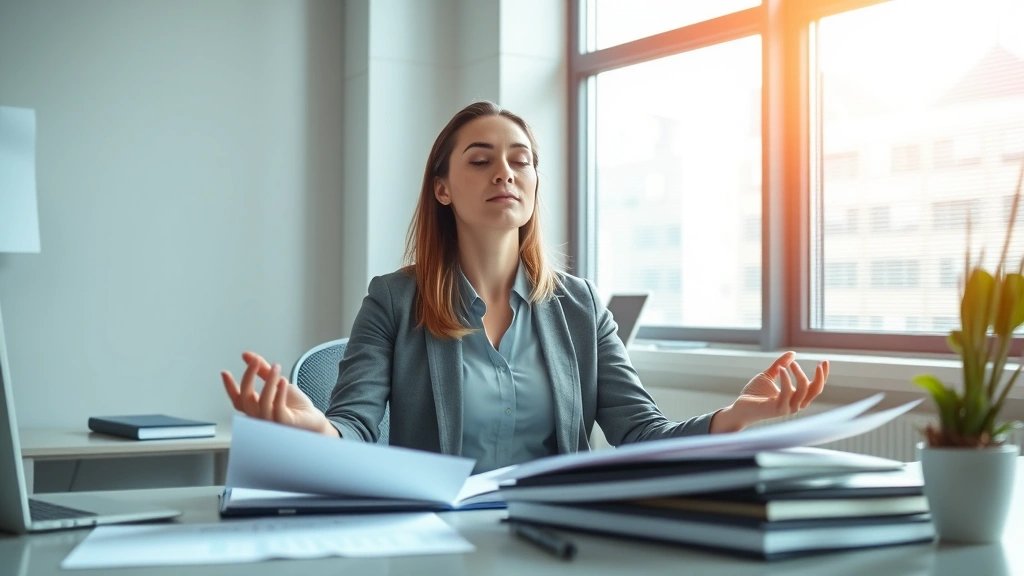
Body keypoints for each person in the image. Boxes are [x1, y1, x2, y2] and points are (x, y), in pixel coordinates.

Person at [222, 101, 829, 473]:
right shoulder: (392, 299)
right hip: (439, 535)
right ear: (443, 188)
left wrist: (735, 417)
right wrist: (315, 430)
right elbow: (354, 428)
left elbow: (639, 434)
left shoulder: (581, 307)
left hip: (556, 534)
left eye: (520, 159)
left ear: (535, 182)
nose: (505, 172)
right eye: (481, 160)